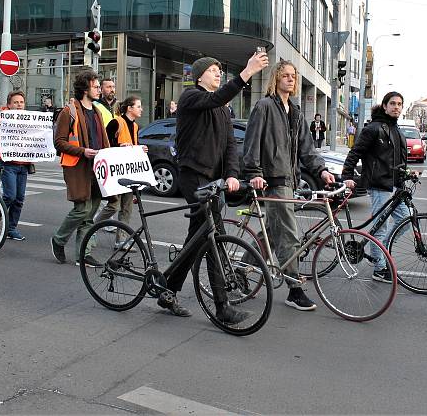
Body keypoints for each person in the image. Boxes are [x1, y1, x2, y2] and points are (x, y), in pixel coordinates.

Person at [162, 53, 268, 320]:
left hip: (213, 180)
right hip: (193, 175)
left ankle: (166, 288)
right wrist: (246, 73)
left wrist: (232, 174)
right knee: (213, 238)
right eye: (212, 70)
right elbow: (216, 98)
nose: (218, 72)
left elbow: (230, 145)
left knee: (196, 240)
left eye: (219, 69)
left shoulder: (222, 109)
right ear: (199, 76)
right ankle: (222, 307)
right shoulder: (192, 97)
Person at [243, 60, 334, 311]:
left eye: (293, 76)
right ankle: (294, 289)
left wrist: (322, 170)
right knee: (289, 235)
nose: (290, 79)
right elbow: (251, 143)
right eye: (285, 75)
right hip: (273, 180)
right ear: (276, 79)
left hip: (290, 180)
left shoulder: (294, 112)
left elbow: (307, 148)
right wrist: (254, 172)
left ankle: (241, 268)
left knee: (272, 232)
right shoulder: (264, 107)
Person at [341, 92, 409, 283]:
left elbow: (399, 161)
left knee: (404, 220)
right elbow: (356, 152)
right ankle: (379, 268)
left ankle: (381, 251)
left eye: (399, 104)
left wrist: (405, 178)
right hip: (379, 184)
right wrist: (347, 176)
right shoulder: (374, 128)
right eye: (393, 104)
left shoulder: (396, 130)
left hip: (394, 186)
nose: (396, 107)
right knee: (380, 227)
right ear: (385, 106)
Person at [50, 71, 110, 265]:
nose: (99, 90)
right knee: (82, 209)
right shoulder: (70, 111)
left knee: (91, 210)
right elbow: (58, 142)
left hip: (97, 166)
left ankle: (83, 255)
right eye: (95, 86)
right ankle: (58, 239)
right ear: (85, 89)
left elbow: (104, 140)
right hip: (78, 166)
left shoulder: (97, 111)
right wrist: (82, 151)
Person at [95, 95, 147, 245]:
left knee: (127, 208)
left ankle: (121, 241)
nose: (141, 109)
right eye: (138, 106)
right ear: (129, 108)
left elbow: (132, 147)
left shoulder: (135, 126)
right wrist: (119, 147)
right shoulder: (116, 122)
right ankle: (91, 226)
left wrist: (140, 149)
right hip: (115, 172)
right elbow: (104, 144)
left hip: (128, 172)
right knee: (114, 205)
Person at [0, 91, 31, 241]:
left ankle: (11, 228)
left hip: (23, 164)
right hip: (7, 163)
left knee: (19, 198)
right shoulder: (1, 118)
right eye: (16, 102)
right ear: (9, 105)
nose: (19, 105)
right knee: (9, 196)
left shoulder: (29, 119)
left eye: (21, 102)